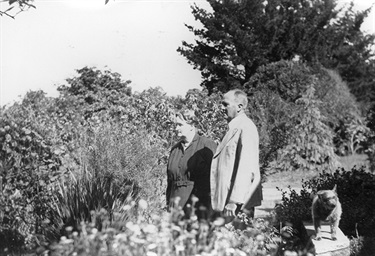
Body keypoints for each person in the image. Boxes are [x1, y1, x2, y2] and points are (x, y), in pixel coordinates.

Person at [210, 89, 262, 218]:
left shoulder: (246, 127)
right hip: (228, 201)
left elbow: (247, 167)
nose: (221, 108)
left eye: (225, 104)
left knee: (238, 237)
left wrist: (234, 200)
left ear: (240, 107)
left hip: (237, 204)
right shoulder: (234, 127)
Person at [166, 110, 217, 218]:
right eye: (175, 125)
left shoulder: (206, 145)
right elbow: (170, 183)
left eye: (180, 125)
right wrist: (168, 204)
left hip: (198, 206)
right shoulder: (175, 149)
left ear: (192, 125)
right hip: (175, 206)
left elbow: (216, 178)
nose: (176, 129)